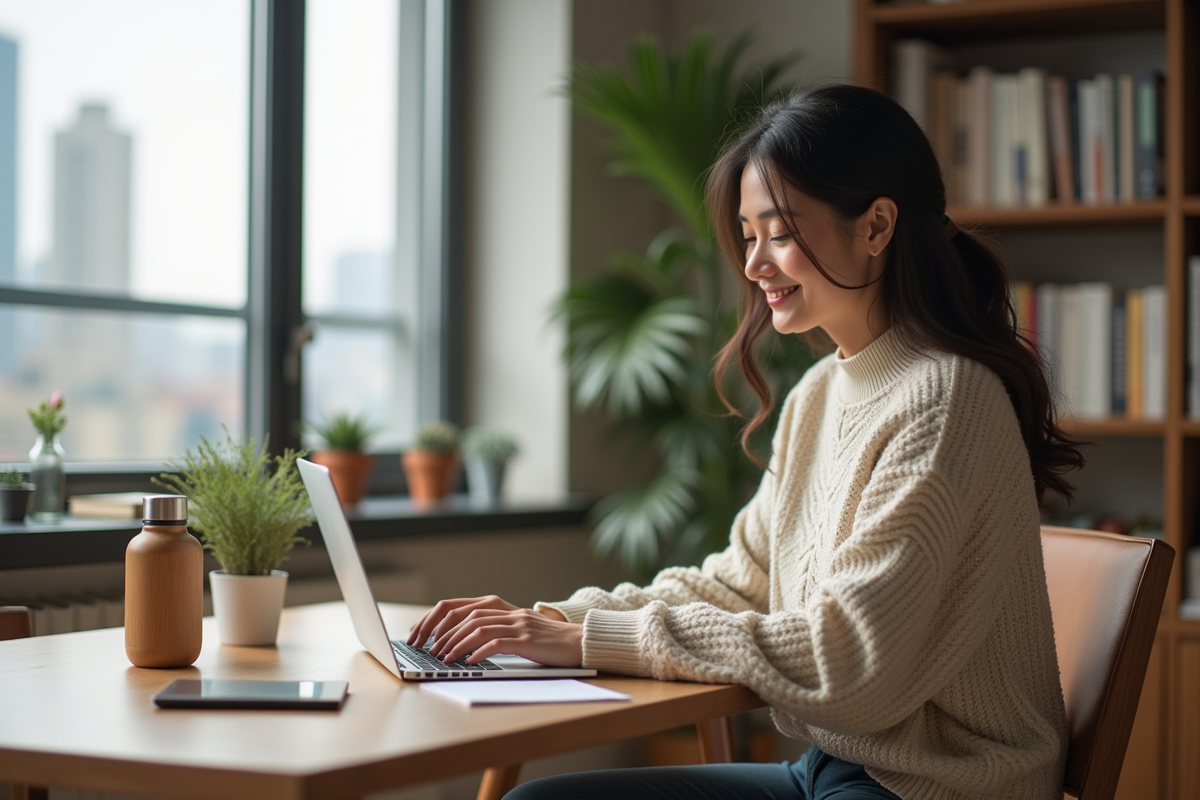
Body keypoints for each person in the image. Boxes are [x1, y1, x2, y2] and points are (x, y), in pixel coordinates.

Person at [407, 84, 1084, 800]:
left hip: (941, 787)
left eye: (779, 234)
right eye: (748, 235)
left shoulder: (947, 399)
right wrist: (549, 622)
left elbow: (849, 664)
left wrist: (585, 642)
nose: (754, 264)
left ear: (877, 227)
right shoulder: (820, 393)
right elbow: (740, 584)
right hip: (832, 769)